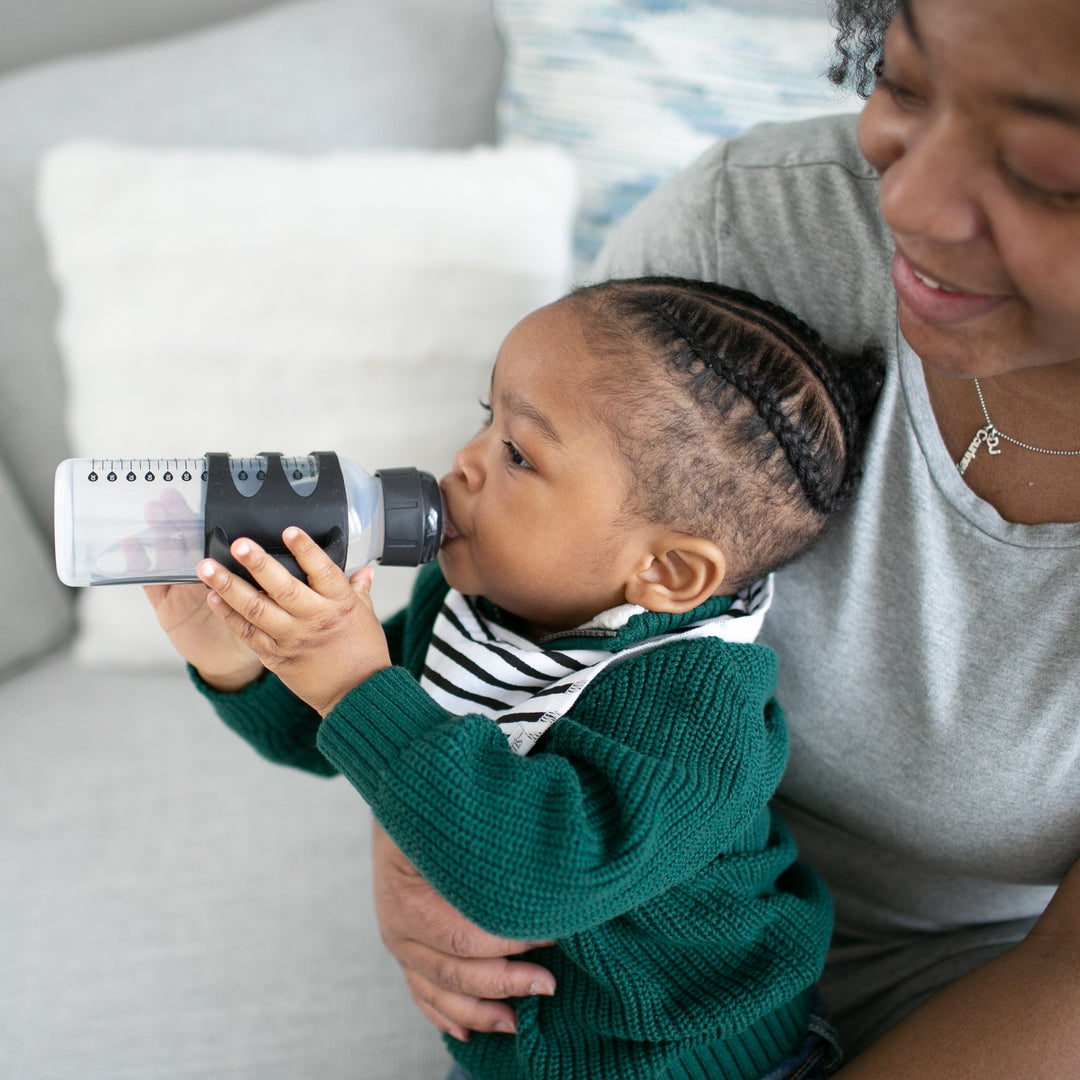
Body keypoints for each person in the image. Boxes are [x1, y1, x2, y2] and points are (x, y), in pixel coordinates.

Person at [368, 1, 1080, 1076]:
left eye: (1043, 171)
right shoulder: (747, 236)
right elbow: (517, 572)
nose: (911, 200)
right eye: (904, 85)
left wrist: (395, 745)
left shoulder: (702, 732)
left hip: (982, 1000)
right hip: (615, 964)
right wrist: (420, 825)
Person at [148, 276, 883, 1080]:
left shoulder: (701, 722)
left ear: (667, 571)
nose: (464, 460)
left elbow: (532, 878)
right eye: (484, 418)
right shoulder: (471, 596)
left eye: (519, 454)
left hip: (697, 1065)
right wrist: (236, 658)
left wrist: (353, 681)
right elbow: (344, 739)